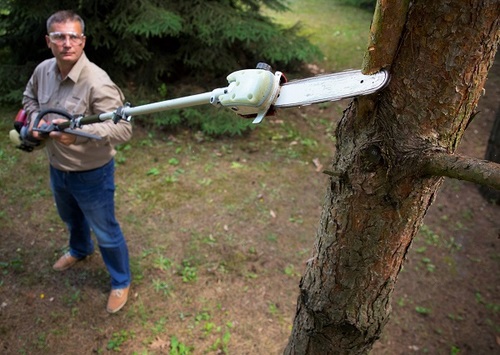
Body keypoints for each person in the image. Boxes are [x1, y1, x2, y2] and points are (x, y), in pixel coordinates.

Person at [22, 10, 133, 313]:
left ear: (83, 41)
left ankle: (121, 281)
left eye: (73, 36)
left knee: (106, 230)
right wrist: (36, 121)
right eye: (59, 36)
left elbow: (124, 129)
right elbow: (29, 99)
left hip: (92, 173)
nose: (66, 43)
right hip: (57, 168)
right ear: (49, 41)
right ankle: (80, 249)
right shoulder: (43, 71)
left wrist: (79, 134)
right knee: (71, 218)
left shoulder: (98, 82)